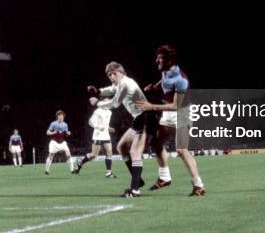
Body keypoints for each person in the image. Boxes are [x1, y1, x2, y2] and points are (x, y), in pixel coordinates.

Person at [137, 45, 206, 196]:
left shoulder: (181, 80)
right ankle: (164, 178)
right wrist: (154, 87)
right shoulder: (166, 72)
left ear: (170, 61)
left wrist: (150, 106)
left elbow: (176, 106)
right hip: (167, 114)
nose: (157, 61)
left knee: (182, 150)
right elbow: (163, 81)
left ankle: (199, 185)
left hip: (182, 114)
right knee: (156, 143)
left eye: (160, 58)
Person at [88, 61, 155, 198]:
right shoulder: (119, 83)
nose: (112, 77)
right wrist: (98, 91)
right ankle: (139, 180)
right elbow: (111, 90)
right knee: (121, 147)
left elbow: (115, 102)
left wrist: (98, 103)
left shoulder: (125, 84)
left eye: (114, 73)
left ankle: (135, 190)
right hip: (139, 118)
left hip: (146, 117)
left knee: (134, 152)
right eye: (109, 75)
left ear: (122, 72)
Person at [72, 107, 116, 177]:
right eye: (106, 100)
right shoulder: (98, 111)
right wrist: (98, 127)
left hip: (106, 135)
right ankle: (80, 162)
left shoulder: (109, 112)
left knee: (109, 152)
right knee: (94, 155)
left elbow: (106, 124)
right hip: (98, 135)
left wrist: (109, 128)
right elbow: (90, 121)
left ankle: (109, 172)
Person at [44, 110, 75, 175]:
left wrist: (68, 133)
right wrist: (53, 132)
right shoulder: (53, 123)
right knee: (51, 156)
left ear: (63, 117)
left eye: (62, 115)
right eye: (59, 115)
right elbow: (47, 132)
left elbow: (66, 134)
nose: (60, 117)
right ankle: (47, 170)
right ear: (57, 116)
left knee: (68, 155)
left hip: (62, 142)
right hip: (54, 142)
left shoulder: (65, 125)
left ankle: (72, 170)